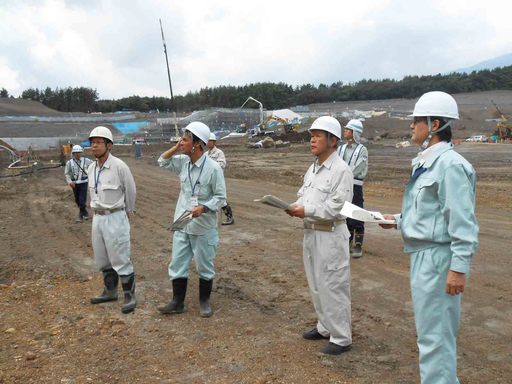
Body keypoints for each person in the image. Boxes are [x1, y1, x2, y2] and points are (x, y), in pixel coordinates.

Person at [380, 91, 479, 383]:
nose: (411, 126)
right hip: (423, 256)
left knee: (436, 339)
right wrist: (397, 221)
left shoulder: (451, 166)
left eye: (416, 121)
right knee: (429, 335)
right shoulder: (427, 162)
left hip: (438, 260)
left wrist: (458, 268)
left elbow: (462, 223)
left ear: (434, 124)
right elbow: (429, 213)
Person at [286, 116, 354, 355]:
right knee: (316, 284)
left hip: (331, 236)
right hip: (311, 233)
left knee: (333, 285)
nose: (312, 139)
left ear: (333, 140)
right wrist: (293, 205)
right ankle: (325, 326)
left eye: (318, 135)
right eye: (311, 135)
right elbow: (304, 196)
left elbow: (337, 207)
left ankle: (341, 336)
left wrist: (305, 210)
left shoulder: (341, 171)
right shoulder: (313, 169)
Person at [157, 122, 226, 318]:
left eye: (185, 140)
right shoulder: (182, 163)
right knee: (177, 262)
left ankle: (204, 301)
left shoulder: (213, 169)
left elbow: (221, 198)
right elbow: (162, 160)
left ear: (197, 144)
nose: (181, 143)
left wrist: (203, 208)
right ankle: (177, 302)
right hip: (182, 222)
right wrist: (176, 147)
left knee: (204, 265)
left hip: (203, 225)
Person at [87, 126, 137, 314]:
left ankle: (129, 296)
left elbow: (130, 190)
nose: (94, 146)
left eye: (99, 142)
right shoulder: (92, 168)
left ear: (109, 145)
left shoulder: (119, 166)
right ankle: (110, 291)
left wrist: (129, 210)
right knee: (102, 258)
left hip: (115, 216)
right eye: (92, 142)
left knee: (120, 256)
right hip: (98, 218)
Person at [337, 119, 368, 258]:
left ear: (355, 132)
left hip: (355, 185)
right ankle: (347, 241)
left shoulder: (362, 150)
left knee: (357, 212)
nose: (345, 131)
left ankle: (358, 244)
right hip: (342, 184)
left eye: (348, 129)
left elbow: (358, 168)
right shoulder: (341, 148)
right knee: (345, 213)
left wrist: (343, 175)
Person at [206, 132, 234, 225]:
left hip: (217, 179)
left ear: (214, 142)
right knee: (209, 198)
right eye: (207, 141)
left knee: (221, 199)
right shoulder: (206, 154)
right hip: (208, 179)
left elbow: (222, 164)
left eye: (210, 141)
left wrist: (211, 164)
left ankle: (230, 217)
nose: (208, 143)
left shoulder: (219, 153)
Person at [64, 144, 93, 222]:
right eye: (76, 153)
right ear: (73, 153)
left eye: (79, 152)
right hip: (74, 184)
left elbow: (94, 165)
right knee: (77, 199)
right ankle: (85, 213)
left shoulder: (86, 160)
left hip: (84, 182)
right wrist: (70, 182)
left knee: (82, 199)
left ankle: (80, 215)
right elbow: (67, 173)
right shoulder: (69, 163)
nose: (78, 154)